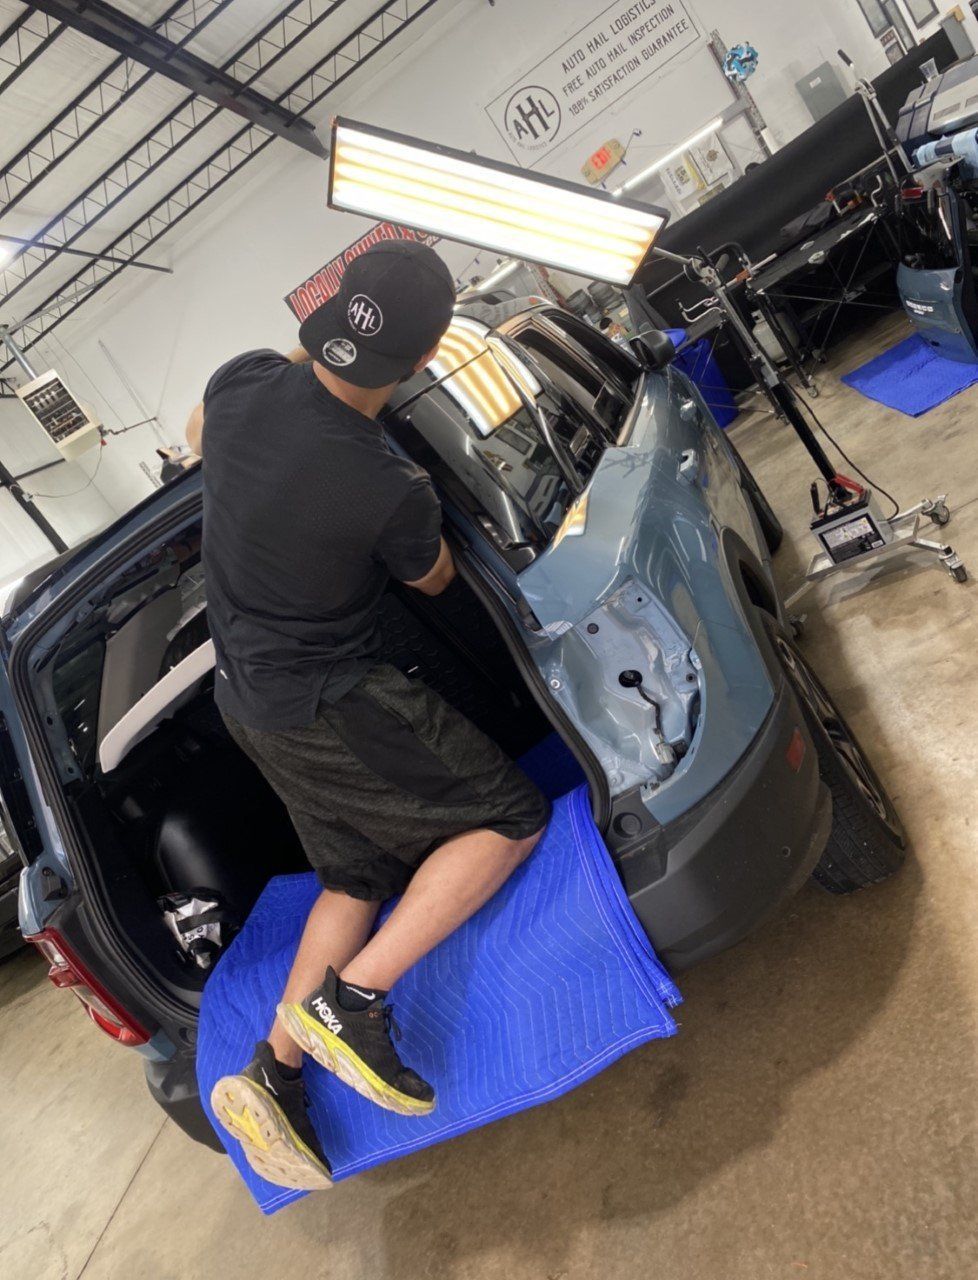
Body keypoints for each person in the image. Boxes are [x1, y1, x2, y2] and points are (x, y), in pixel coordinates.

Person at [186, 241, 550, 1191]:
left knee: (355, 874)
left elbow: (195, 432)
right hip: (325, 699)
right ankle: (356, 1000)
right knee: (509, 817)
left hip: (247, 701)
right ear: (426, 360)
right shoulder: (389, 486)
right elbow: (429, 577)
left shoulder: (242, 390)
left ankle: (277, 1071)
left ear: (328, 315)